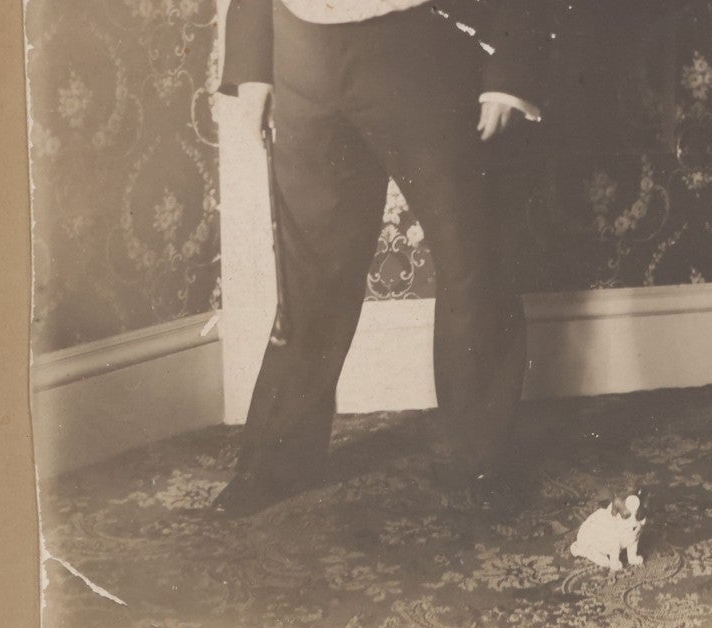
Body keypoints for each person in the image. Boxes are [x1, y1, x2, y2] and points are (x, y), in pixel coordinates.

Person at [213, 0, 553, 516]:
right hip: (300, 50)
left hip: (420, 47)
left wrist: (509, 69)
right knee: (308, 275)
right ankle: (277, 465)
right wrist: (253, 61)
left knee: (470, 264)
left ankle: (483, 466)